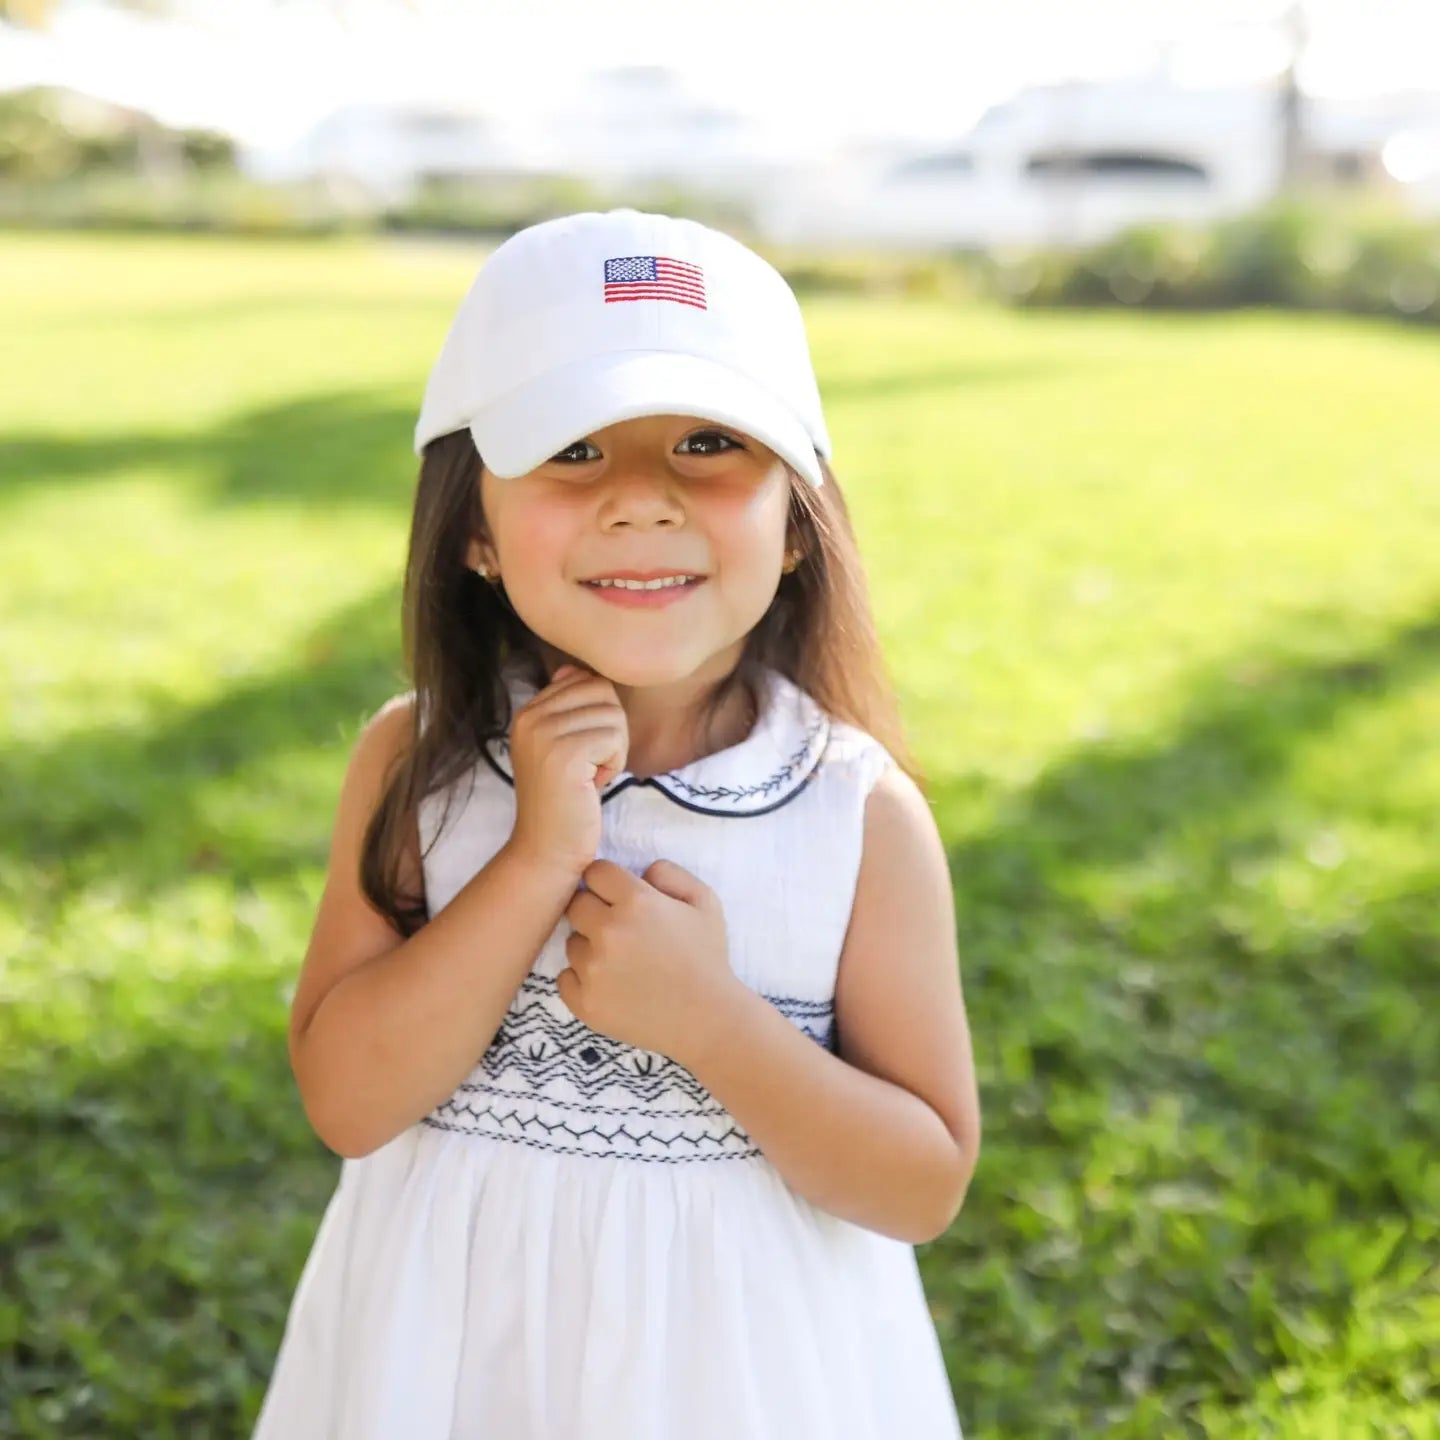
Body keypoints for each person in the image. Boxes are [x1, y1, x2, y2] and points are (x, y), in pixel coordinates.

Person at [250, 207, 980, 1440]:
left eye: (707, 443)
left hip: (738, 1383)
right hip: (451, 1365)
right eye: (573, 450)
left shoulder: (855, 813)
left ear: (799, 519)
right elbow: (348, 1101)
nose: (642, 503)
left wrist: (710, 1021)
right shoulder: (416, 763)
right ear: (474, 527)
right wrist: (538, 856)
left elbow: (921, 1184)